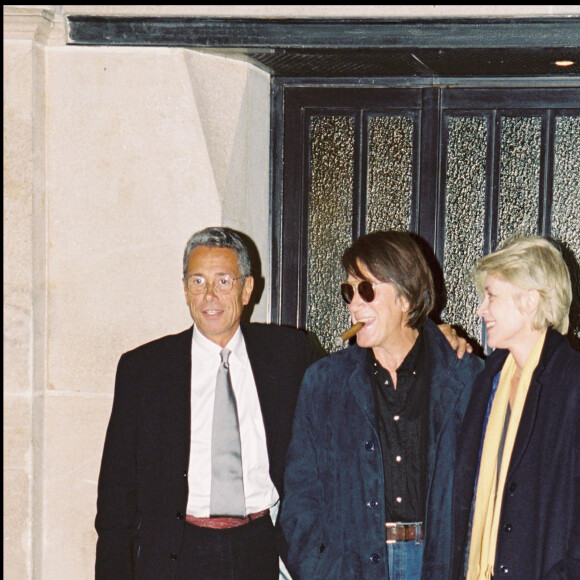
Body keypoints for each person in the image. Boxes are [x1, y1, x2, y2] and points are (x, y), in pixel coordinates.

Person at [95, 227, 321, 579]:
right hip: (177, 552)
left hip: (260, 548)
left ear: (247, 289)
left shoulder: (289, 354)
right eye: (197, 282)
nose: (209, 296)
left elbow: (345, 399)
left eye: (223, 281)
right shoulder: (145, 369)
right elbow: (116, 494)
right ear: (185, 289)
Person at [280, 230, 484, 579]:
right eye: (349, 292)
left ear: (406, 297)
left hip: (441, 564)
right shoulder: (324, 382)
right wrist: (321, 570)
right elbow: (300, 496)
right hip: (353, 566)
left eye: (367, 291)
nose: (354, 305)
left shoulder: (467, 376)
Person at [451, 235, 580, 580]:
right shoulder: (488, 379)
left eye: (491, 295)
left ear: (529, 301)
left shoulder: (571, 383)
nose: (481, 309)